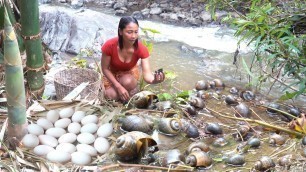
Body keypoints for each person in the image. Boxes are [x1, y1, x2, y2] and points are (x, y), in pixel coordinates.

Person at [101, 16, 165, 102]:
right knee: (111, 96)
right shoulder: (110, 45)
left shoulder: (141, 49)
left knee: (128, 81)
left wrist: (155, 80)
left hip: (128, 74)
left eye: (136, 32)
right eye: (129, 32)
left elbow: (147, 76)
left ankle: (128, 92)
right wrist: (118, 86)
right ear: (120, 31)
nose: (133, 36)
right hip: (111, 74)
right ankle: (124, 93)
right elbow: (105, 69)